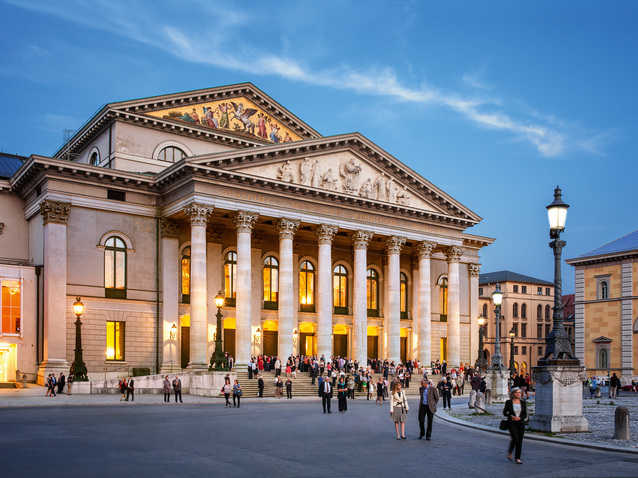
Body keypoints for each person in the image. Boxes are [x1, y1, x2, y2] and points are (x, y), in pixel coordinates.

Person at [503, 387, 527, 465]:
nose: (518, 394)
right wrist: (510, 416)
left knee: (520, 441)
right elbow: (504, 412)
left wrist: (520, 418)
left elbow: (525, 414)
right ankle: (510, 451)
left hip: (520, 423)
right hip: (512, 423)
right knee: (515, 439)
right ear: (512, 394)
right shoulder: (509, 402)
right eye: (516, 392)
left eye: (519, 393)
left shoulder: (523, 403)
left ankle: (517, 458)